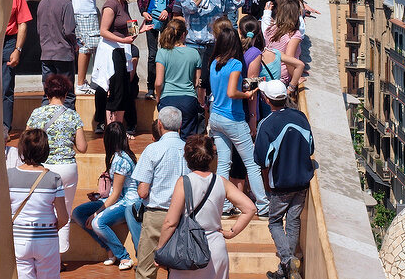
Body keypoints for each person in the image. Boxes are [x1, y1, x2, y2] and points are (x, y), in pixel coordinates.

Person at [156, 134, 256, 279]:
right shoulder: (221, 182)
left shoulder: (184, 182)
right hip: (216, 247)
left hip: (188, 248)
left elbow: (170, 223)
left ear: (187, 157)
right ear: (211, 156)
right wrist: (231, 232)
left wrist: (161, 249)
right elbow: (250, 208)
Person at [254, 80, 316, 279]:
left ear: (266, 99)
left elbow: (261, 159)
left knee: (274, 222)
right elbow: (311, 148)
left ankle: (288, 260)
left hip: (281, 183)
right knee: (293, 220)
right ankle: (285, 272)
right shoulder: (301, 117)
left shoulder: (266, 124)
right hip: (303, 180)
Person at [207, 28, 268, 217]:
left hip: (215, 117)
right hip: (233, 119)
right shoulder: (235, 64)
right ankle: (264, 206)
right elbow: (232, 93)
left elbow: (223, 88)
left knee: (224, 163)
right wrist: (248, 93)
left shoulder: (214, 63)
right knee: (252, 163)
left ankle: (224, 206)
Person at [25, 73, 86, 255]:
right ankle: (59, 255)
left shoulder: (37, 114)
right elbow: (82, 147)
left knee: (42, 211)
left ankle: (42, 251)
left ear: (47, 93)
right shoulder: (73, 116)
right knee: (64, 212)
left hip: (43, 169)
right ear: (66, 93)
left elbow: (26, 140)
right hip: (67, 168)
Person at [71, 122, 142, 270]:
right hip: (118, 200)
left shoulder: (121, 160)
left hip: (128, 203)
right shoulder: (118, 156)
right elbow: (115, 192)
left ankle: (124, 257)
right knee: (78, 213)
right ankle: (109, 248)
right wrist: (99, 197)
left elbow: (116, 195)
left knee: (97, 222)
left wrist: (97, 212)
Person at [174, 0, 243, 106]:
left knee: (212, 85)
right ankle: (196, 118)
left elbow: (239, 2)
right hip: (193, 47)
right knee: (194, 85)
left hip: (214, 47)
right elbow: (190, 6)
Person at [131, 107, 188, 279]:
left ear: (160, 124)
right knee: (179, 269)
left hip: (157, 215)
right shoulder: (189, 149)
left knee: (146, 270)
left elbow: (142, 192)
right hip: (183, 215)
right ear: (180, 125)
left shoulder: (153, 149)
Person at [8, 128, 68, 279]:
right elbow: (63, 218)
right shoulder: (54, 179)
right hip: (46, 239)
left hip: (18, 238)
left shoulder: (8, 176)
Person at [91, 0, 142, 130]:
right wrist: (123, 40)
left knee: (123, 89)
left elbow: (127, 31)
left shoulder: (124, 3)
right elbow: (103, 31)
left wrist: (141, 30)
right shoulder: (111, 4)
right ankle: (109, 125)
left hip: (121, 50)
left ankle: (118, 126)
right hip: (111, 52)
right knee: (113, 89)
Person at [241, 16, 304, 131]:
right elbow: (300, 65)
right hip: (277, 99)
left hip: (261, 100)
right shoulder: (275, 53)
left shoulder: (249, 56)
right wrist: (291, 87)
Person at [136, 0, 180, 85]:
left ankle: (167, 82)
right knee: (152, 54)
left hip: (166, 18)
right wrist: (143, 11)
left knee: (167, 50)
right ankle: (151, 85)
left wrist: (168, 9)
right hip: (151, 18)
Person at [154, 17, 202, 139]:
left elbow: (159, 82)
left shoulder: (162, 52)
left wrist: (158, 98)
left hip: (168, 99)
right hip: (188, 99)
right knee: (188, 140)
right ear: (183, 34)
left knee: (167, 136)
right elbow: (197, 82)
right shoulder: (194, 53)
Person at [37, 0, 78, 109]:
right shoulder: (66, 4)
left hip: (46, 54)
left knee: (48, 93)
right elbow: (69, 31)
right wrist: (75, 44)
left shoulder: (42, 3)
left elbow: (39, 29)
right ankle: (68, 127)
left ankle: (43, 126)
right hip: (63, 54)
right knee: (67, 94)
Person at [3, 0, 33, 132]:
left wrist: (17, 50)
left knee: (6, 86)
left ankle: (4, 128)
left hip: (8, 41)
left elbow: (22, 23)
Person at [263, 0, 305, 89]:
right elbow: (289, 59)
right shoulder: (294, 35)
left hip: (267, 70)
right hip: (281, 76)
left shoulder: (271, 28)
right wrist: (295, 76)